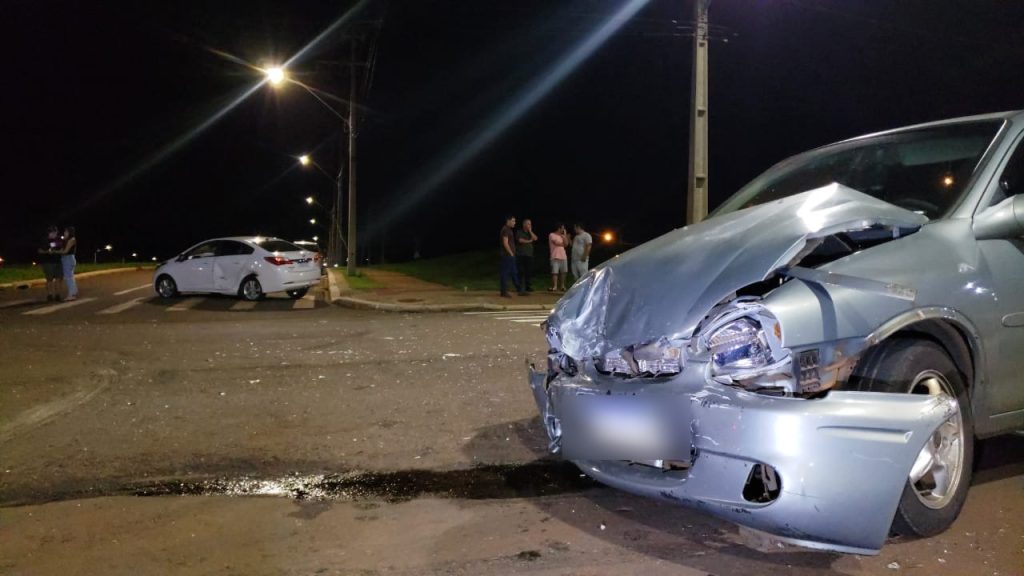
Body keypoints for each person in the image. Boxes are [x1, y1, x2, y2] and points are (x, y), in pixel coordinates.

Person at [37, 225, 64, 302]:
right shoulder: (44, 240)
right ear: (50, 232)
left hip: (58, 262)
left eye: (56, 232)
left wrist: (56, 251)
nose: (55, 234)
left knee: (59, 279)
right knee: (49, 279)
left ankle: (57, 295)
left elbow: (61, 247)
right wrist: (46, 252)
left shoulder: (58, 240)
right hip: (48, 262)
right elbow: (39, 250)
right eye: (54, 232)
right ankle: (50, 295)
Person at [499, 215, 522, 297]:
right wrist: (511, 253)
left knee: (514, 272)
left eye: (514, 221)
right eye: (513, 221)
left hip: (510, 255)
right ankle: (503, 291)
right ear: (508, 221)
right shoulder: (505, 230)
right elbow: (505, 243)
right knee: (505, 273)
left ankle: (519, 290)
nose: (514, 223)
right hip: (507, 255)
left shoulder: (509, 230)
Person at [515, 218, 538, 293]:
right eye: (528, 224)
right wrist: (529, 241)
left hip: (529, 255)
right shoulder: (519, 232)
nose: (529, 225)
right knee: (520, 271)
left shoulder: (530, 232)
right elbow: (520, 240)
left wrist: (530, 231)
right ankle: (520, 287)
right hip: (520, 255)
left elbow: (535, 238)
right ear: (524, 224)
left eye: (530, 224)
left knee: (528, 272)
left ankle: (528, 286)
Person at [548, 223, 569, 292]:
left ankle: (562, 286)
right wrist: (563, 243)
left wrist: (565, 236)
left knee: (563, 272)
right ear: (559, 228)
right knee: (555, 272)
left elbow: (566, 244)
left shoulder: (563, 236)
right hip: (555, 256)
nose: (563, 229)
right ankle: (555, 286)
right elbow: (557, 243)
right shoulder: (552, 235)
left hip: (563, 256)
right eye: (562, 228)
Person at [59, 226, 78, 301]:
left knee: (68, 277)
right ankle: (74, 292)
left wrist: (55, 252)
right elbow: (60, 247)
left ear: (70, 232)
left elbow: (65, 251)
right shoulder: (66, 240)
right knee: (70, 276)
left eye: (66, 231)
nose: (64, 233)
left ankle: (71, 294)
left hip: (68, 258)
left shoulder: (72, 239)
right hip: (67, 259)